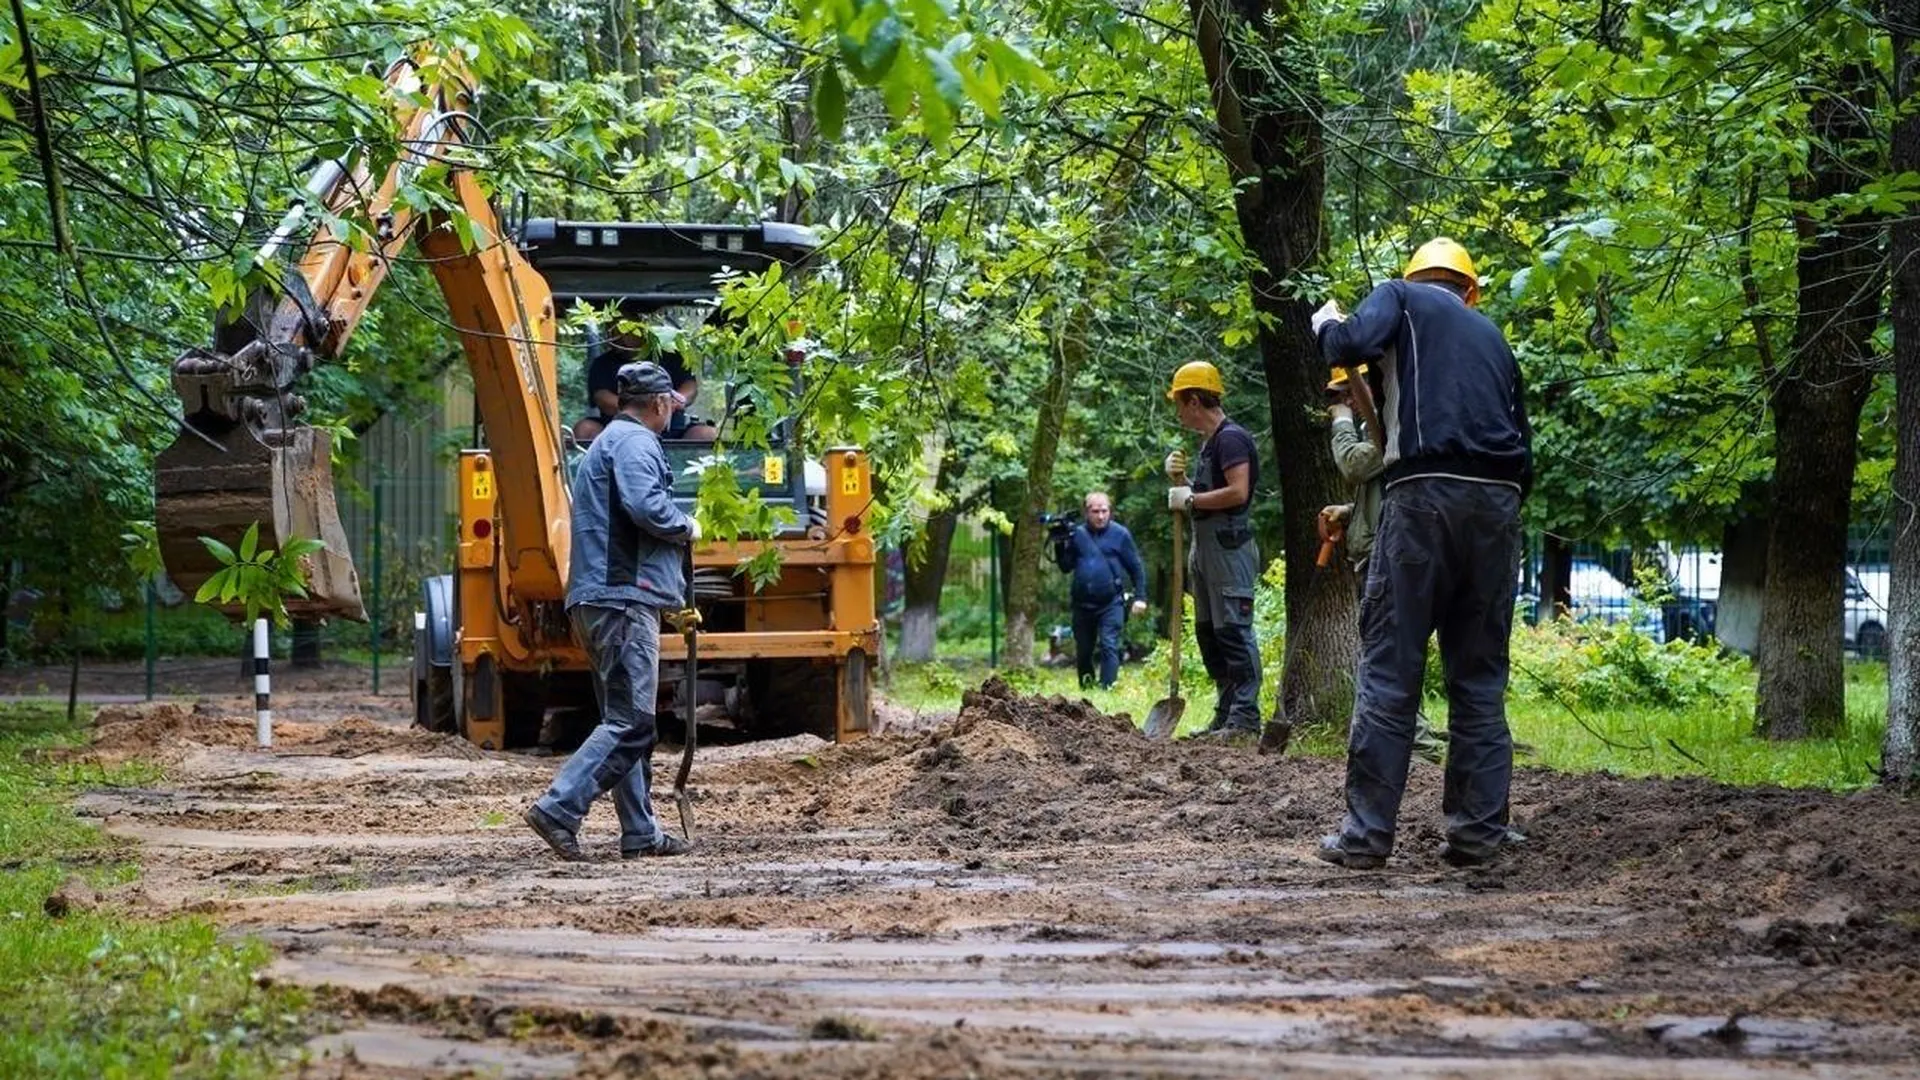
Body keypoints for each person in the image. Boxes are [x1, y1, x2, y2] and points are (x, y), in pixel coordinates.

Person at [1309, 237, 1533, 870]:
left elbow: (1347, 345)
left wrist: (1326, 322)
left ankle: (1365, 837)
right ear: (1470, 290)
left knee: (1389, 670)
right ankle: (1477, 834)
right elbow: (1525, 446)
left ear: (1414, 278)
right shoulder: (1494, 339)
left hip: (1421, 500)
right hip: (1499, 506)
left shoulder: (1401, 299)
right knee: (1480, 681)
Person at [525, 360, 701, 861]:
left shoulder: (608, 440)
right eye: (671, 404)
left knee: (623, 719)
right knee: (632, 723)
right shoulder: (635, 442)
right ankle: (559, 808)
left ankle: (640, 832)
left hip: (602, 598)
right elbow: (646, 507)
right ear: (661, 403)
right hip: (622, 598)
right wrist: (686, 526)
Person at [1320, 364, 1446, 766]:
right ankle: (1411, 742)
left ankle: (1421, 748)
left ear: (1374, 386)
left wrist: (1339, 423)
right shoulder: (1387, 425)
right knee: (1388, 652)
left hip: (1388, 557)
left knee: (1390, 653)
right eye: (1343, 397)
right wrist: (1350, 512)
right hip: (1381, 551)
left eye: (1350, 393)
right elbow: (1380, 489)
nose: (1349, 403)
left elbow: (1355, 466)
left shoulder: (1395, 424)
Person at [1164, 361, 1263, 739]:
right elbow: (1202, 496)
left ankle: (1245, 720)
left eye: (1178, 402)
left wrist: (1189, 499)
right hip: (1204, 552)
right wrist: (1182, 483)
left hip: (1229, 550)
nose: (1178, 411)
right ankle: (1225, 714)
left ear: (1193, 401)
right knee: (1211, 636)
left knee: (1235, 633)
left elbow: (1238, 492)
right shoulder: (1209, 444)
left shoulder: (1232, 439)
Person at [1051, 491, 1148, 689]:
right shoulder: (1077, 534)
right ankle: (1086, 689)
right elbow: (1065, 566)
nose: (1101, 516)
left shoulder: (1120, 534)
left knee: (1109, 644)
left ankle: (1107, 688)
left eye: (1104, 511)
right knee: (1084, 650)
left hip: (1111, 602)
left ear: (1110, 511)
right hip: (1082, 604)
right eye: (1096, 511)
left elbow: (1136, 567)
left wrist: (1140, 597)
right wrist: (1059, 545)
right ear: (1087, 512)